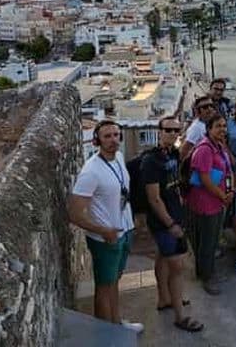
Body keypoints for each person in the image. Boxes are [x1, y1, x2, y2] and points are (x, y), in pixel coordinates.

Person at [68, 120, 141, 333]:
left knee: (114, 282)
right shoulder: (91, 171)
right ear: (97, 141)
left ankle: (116, 324)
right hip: (105, 239)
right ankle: (106, 335)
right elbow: (74, 213)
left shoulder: (118, 158)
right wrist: (103, 231)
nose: (113, 140)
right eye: (107, 136)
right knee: (104, 286)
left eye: (116, 135)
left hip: (123, 232)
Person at [141, 116, 202, 333]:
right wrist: (171, 224)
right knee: (178, 267)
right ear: (159, 132)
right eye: (168, 130)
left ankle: (164, 299)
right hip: (165, 221)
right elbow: (154, 198)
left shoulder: (174, 154)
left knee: (163, 257)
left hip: (174, 215)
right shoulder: (151, 161)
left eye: (176, 130)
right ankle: (180, 316)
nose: (173, 134)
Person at [187, 113, 233, 295]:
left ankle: (209, 271)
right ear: (209, 129)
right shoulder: (205, 149)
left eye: (224, 126)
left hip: (217, 200)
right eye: (218, 126)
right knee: (206, 241)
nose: (222, 129)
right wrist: (223, 196)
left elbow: (225, 171)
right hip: (205, 202)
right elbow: (204, 179)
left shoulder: (218, 146)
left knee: (213, 239)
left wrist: (227, 192)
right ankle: (206, 277)